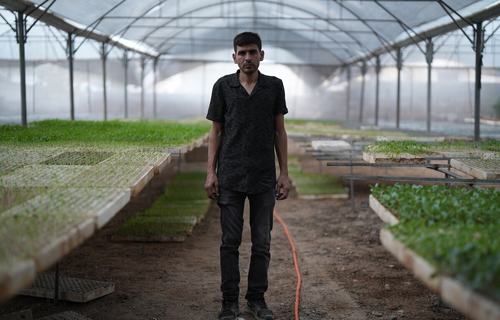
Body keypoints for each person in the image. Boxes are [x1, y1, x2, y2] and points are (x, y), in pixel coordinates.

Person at [205, 31, 290, 320]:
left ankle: (257, 299)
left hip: (264, 177)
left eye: (252, 52)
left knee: (262, 241)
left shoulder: (274, 86)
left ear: (261, 55)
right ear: (234, 57)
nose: (247, 58)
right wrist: (210, 172)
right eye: (241, 53)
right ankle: (229, 303)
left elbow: (280, 131)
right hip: (230, 175)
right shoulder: (223, 86)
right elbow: (215, 131)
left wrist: (284, 173)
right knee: (230, 241)